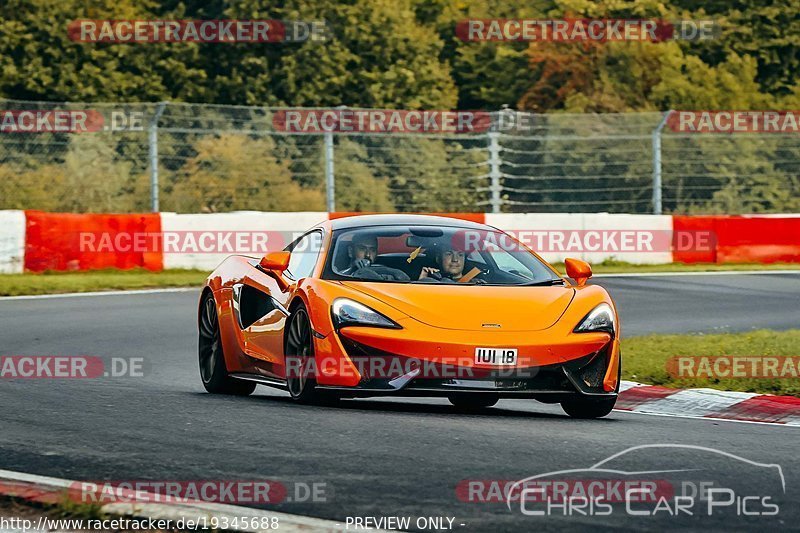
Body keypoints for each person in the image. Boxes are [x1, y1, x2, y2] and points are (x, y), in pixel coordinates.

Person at [340, 233, 409, 281]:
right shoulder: (335, 271)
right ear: (350, 251)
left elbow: (404, 278)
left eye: (372, 250)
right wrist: (353, 269)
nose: (367, 255)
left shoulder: (386, 272)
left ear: (376, 253)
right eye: (362, 249)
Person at [419, 246, 486, 283]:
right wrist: (423, 280)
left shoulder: (477, 283)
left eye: (460, 255)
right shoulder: (431, 281)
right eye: (449, 254)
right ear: (438, 259)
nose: (455, 260)